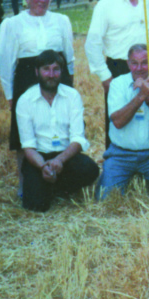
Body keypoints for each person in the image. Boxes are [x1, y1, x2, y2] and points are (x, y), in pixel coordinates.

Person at [0, 0, 76, 184]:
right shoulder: (13, 23)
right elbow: (7, 63)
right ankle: (26, 181)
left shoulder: (61, 21)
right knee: (26, 130)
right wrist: (10, 96)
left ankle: (63, 176)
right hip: (27, 79)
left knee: (60, 124)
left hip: (57, 76)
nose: (42, 0)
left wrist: (70, 85)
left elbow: (69, 58)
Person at [16, 50, 99, 212]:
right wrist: (43, 166)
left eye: (56, 69)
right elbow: (28, 147)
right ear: (37, 72)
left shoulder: (72, 96)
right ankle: (47, 184)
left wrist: (59, 161)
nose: (51, 74)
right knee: (35, 206)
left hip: (65, 156)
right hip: (39, 158)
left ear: (62, 72)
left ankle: (59, 187)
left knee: (91, 170)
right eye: (46, 69)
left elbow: (78, 140)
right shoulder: (25, 100)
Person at [85, 0, 149, 144]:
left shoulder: (148, 1)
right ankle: (116, 166)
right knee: (118, 120)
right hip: (118, 69)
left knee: (147, 119)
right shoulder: (105, 5)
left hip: (146, 68)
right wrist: (105, 77)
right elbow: (92, 43)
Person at [97, 44, 149, 200]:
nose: (139, 68)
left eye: (145, 62)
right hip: (121, 154)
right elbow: (118, 122)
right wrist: (141, 96)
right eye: (134, 63)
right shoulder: (117, 84)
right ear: (128, 64)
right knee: (104, 200)